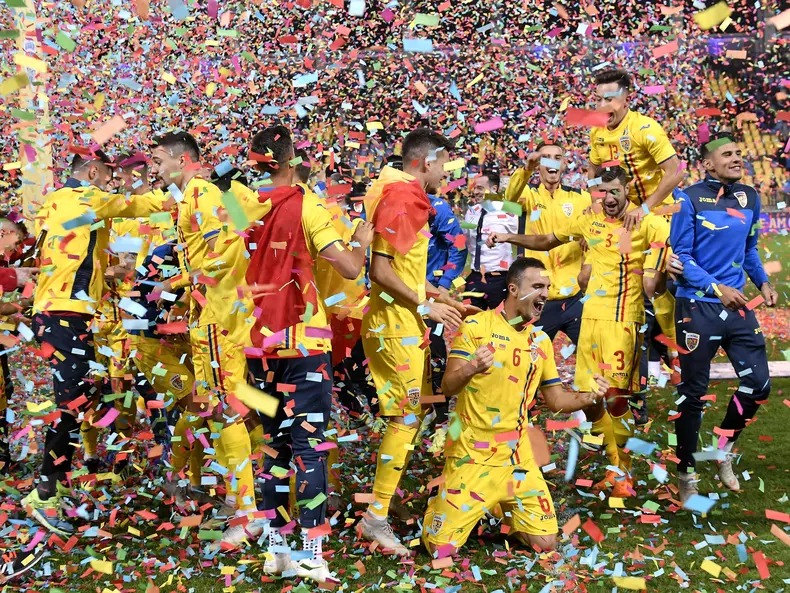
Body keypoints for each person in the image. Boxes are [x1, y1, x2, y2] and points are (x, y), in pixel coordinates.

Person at [211, 125, 373, 582]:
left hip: (258, 346)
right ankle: (311, 553)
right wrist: (360, 238)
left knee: (273, 446)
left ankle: (277, 551)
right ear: (290, 161)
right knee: (309, 448)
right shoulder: (309, 205)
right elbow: (349, 267)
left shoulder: (240, 204)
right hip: (304, 344)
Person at [488, 166, 670, 498]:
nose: (608, 198)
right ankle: (616, 467)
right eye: (602, 192)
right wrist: (509, 237)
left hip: (623, 323)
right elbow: (547, 240)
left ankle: (624, 474)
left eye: (615, 191)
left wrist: (663, 271)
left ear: (627, 191)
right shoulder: (590, 220)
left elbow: (653, 286)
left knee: (615, 399)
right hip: (591, 322)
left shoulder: (650, 224)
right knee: (589, 400)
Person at [22, 151, 171, 535]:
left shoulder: (56, 200)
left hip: (61, 313)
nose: (111, 183)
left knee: (84, 398)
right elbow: (137, 204)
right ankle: (44, 492)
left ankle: (56, 482)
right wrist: (180, 190)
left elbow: (71, 257)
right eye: (107, 176)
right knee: (73, 403)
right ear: (92, 172)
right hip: (65, 314)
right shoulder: (87, 197)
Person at [423, 257, 608, 553]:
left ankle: (499, 507)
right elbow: (448, 386)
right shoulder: (476, 326)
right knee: (440, 549)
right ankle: (442, 501)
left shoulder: (540, 340)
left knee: (545, 543)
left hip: (517, 460)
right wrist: (471, 368)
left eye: (547, 287)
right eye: (537, 286)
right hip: (473, 457)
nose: (545, 293)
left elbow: (555, 400)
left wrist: (588, 397)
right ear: (513, 289)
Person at [358, 128, 464, 555]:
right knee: (404, 419)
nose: (446, 174)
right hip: (395, 325)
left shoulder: (393, 187)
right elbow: (380, 271)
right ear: (426, 161)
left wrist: (437, 296)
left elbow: (400, 269)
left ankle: (382, 501)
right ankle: (375, 517)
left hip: (401, 321)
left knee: (410, 416)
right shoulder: (403, 196)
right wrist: (425, 305)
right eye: (444, 165)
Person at [669, 136, 778, 504]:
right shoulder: (687, 198)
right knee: (693, 395)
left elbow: (749, 249)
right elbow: (681, 257)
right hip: (697, 306)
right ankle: (686, 473)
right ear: (708, 164)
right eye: (727, 154)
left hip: (737, 305)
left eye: (738, 153)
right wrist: (716, 288)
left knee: (759, 385)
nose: (736, 158)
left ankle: (722, 448)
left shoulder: (749, 197)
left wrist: (763, 282)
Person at [589, 68, 683, 421]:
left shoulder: (645, 128)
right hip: (624, 225)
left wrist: (644, 209)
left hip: (658, 217)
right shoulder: (597, 132)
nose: (604, 105)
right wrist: (597, 207)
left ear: (626, 97)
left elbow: (676, 172)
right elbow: (593, 176)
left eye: (610, 98)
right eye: (599, 99)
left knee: (650, 287)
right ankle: (635, 391)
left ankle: (675, 351)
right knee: (629, 308)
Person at [505, 141, 591, 345]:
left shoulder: (581, 198)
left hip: (574, 296)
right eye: (546, 158)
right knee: (531, 356)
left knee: (592, 352)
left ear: (564, 164)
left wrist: (589, 233)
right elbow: (509, 200)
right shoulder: (528, 194)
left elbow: (599, 228)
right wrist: (526, 169)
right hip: (539, 298)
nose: (552, 162)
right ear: (539, 165)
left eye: (557, 158)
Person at [426, 192, 469, 424]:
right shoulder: (386, 201)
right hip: (393, 294)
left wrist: (443, 284)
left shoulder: (437, 207)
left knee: (434, 354)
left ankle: (440, 417)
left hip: (430, 295)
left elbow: (459, 245)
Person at [463, 168, 518, 310]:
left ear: (494, 189)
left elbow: (521, 238)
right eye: (475, 188)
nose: (475, 192)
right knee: (470, 320)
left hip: (499, 278)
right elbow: (466, 241)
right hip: (475, 277)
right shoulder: (471, 211)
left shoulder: (510, 209)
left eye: (480, 188)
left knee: (502, 321)